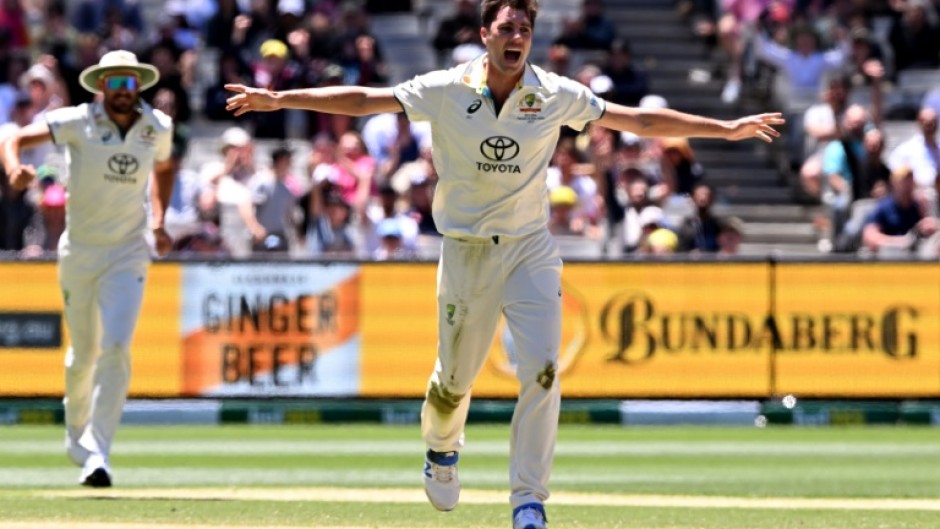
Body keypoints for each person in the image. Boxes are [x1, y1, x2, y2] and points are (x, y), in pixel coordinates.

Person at [224, 1, 783, 526]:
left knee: (542, 370)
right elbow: (366, 100)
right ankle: (442, 450)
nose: (517, 38)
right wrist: (281, 100)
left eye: (525, 30)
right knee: (452, 384)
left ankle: (528, 503)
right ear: (485, 34)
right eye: (507, 29)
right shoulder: (446, 88)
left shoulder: (553, 93)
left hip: (529, 248)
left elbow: (637, 121)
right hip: (465, 250)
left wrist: (724, 129)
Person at [0, 50, 174, 487]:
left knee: (116, 347)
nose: (122, 92)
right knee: (82, 355)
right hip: (79, 251)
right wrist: (14, 170)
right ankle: (75, 433)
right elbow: (14, 139)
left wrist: (160, 218)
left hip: (128, 252)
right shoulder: (78, 120)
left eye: (129, 84)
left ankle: (99, 451)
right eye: (113, 84)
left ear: (139, 86)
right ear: (101, 87)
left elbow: (166, 166)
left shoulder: (157, 126)